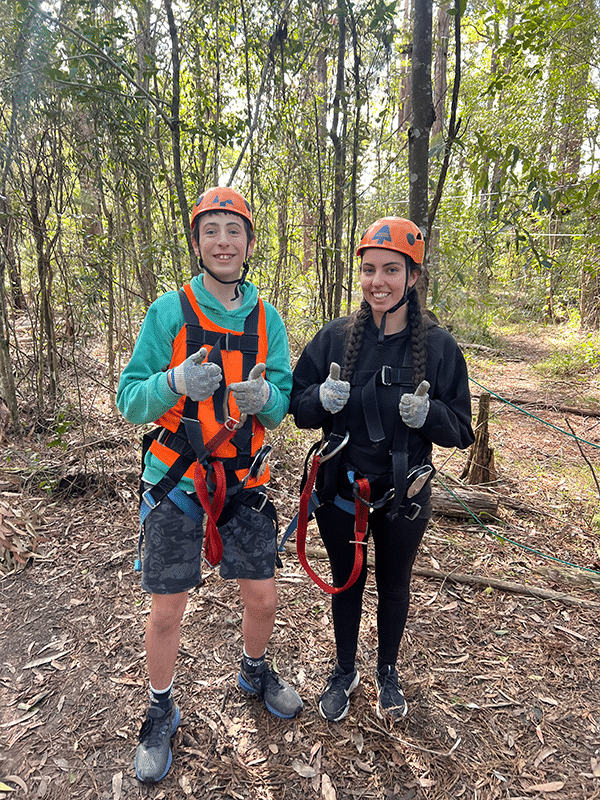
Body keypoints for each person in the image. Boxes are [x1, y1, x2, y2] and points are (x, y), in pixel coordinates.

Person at [117, 187, 302, 784]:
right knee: (168, 608)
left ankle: (253, 669)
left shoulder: (266, 318)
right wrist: (173, 382)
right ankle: (160, 707)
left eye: (234, 230)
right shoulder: (168, 312)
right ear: (197, 243)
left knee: (264, 596)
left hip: (243, 481)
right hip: (175, 480)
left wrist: (265, 398)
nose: (223, 241)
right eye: (211, 231)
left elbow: (281, 408)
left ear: (249, 244)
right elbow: (129, 399)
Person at [289, 217, 474, 723]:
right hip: (340, 488)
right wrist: (321, 399)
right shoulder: (334, 339)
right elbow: (297, 406)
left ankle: (386, 670)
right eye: (369, 269)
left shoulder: (438, 348)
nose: (379, 281)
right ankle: (343, 669)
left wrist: (429, 415)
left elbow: (461, 429)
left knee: (395, 585)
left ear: (413, 277)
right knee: (346, 580)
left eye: (392, 270)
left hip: (404, 494)